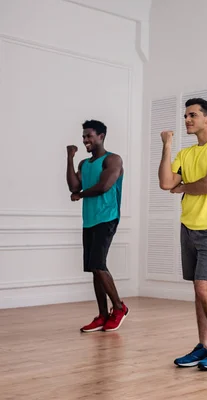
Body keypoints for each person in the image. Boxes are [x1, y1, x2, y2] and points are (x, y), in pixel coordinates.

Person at [158, 98, 207, 370]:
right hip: (188, 226)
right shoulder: (185, 153)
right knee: (199, 289)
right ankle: (204, 346)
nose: (187, 120)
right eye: (185, 116)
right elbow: (166, 182)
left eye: (193, 115)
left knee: (205, 286)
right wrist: (167, 146)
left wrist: (183, 187)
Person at [66, 119, 128, 333]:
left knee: (99, 265)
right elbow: (74, 185)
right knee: (94, 268)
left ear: (101, 136)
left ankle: (119, 308)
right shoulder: (85, 164)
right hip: (90, 219)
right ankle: (102, 315)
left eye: (89, 136)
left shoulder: (113, 160)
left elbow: (104, 186)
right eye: (83, 136)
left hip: (107, 217)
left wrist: (80, 195)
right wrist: (70, 158)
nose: (85, 140)